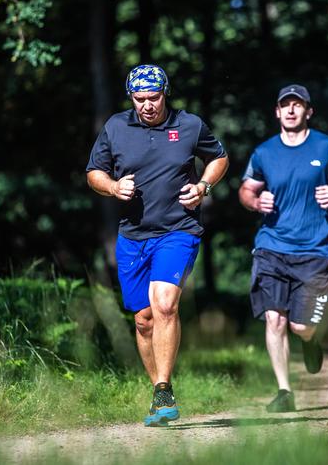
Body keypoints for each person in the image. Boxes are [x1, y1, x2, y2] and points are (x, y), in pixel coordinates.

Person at [86, 64, 229, 426]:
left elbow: (220, 158)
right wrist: (113, 187)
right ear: (131, 98)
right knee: (144, 320)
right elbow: (93, 173)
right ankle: (159, 395)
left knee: (164, 305)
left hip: (178, 230)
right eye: (139, 99)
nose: (147, 105)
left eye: (154, 97)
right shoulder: (116, 128)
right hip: (133, 236)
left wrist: (203, 188)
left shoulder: (190, 125)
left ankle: (164, 387)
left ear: (166, 93)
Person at [239, 84, 328, 412]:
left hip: (315, 249)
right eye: (286, 105)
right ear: (277, 112)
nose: (292, 110)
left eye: (298, 105)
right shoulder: (264, 152)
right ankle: (284, 392)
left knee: (301, 325)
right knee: (274, 319)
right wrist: (256, 201)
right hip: (271, 247)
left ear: (308, 111)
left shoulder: (327, 147)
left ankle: (310, 341)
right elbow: (246, 189)